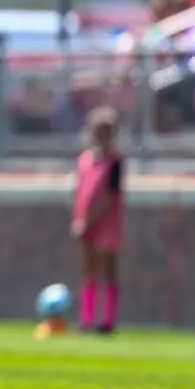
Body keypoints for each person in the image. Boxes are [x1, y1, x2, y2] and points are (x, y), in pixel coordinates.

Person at [71, 107, 125, 334]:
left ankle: (108, 320)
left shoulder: (116, 162)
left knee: (108, 269)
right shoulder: (84, 160)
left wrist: (93, 219)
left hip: (106, 223)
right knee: (88, 270)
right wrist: (80, 220)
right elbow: (80, 191)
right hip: (86, 222)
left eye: (108, 130)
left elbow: (111, 196)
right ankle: (87, 319)